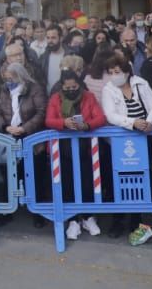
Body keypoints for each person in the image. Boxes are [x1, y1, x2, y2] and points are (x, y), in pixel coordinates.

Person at [43, 71, 107, 241]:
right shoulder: (56, 99)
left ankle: (88, 217)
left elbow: (100, 118)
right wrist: (63, 123)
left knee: (87, 183)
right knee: (67, 184)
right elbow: (49, 120)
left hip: (85, 149)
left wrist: (87, 125)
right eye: (67, 87)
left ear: (79, 85)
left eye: (74, 87)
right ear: (62, 86)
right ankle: (72, 220)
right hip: (63, 150)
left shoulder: (89, 97)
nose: (71, 90)